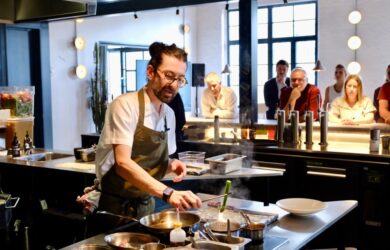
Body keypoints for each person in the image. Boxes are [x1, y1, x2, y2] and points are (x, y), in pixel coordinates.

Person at [94, 42, 202, 222]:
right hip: (114, 209)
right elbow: (123, 163)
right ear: (151, 72)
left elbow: (147, 163)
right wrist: (168, 193)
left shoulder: (169, 114)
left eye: (180, 79)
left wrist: (170, 164)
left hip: (147, 208)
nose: (174, 85)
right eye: (169, 76)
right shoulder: (125, 105)